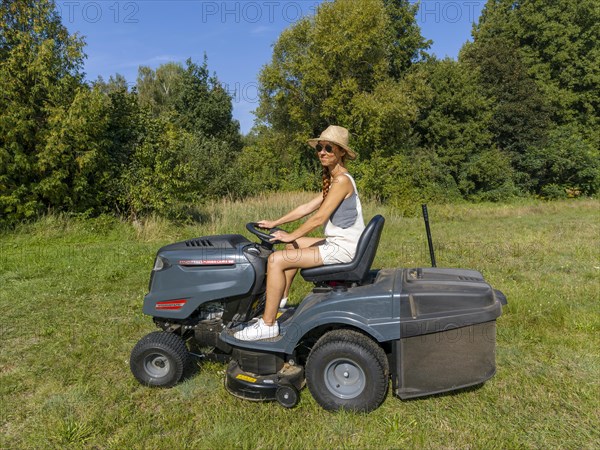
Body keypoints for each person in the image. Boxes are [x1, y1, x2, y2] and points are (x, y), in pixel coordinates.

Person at [234, 125, 365, 341]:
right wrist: (275, 222)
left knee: (276, 260)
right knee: (291, 247)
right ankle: (280, 302)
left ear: (341, 152)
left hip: (344, 249)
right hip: (343, 242)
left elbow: (319, 218)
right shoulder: (336, 180)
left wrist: (291, 234)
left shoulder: (342, 181)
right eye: (320, 147)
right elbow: (307, 208)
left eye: (329, 148)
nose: (322, 152)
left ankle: (267, 325)